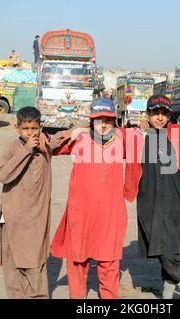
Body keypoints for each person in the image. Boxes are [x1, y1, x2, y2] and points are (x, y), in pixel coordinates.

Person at [123, 95, 180, 299]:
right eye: (155, 113)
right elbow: (104, 134)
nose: (159, 117)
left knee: (173, 245)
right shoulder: (135, 135)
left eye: (164, 113)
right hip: (148, 199)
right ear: (147, 114)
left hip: (177, 197)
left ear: (169, 115)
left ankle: (179, 289)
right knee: (157, 243)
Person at [51, 98, 128, 299]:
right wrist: (74, 131)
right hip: (81, 213)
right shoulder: (78, 140)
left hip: (111, 214)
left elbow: (150, 138)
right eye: (97, 120)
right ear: (90, 121)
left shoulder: (122, 141)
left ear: (115, 122)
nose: (103, 125)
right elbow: (51, 145)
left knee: (109, 262)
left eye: (108, 120)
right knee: (77, 260)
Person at [0, 107, 70, 299]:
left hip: (36, 217)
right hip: (12, 215)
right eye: (25, 129)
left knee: (35, 262)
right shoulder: (11, 148)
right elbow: (3, 175)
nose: (30, 133)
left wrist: (84, 128)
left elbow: (66, 136)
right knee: (12, 263)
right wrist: (26, 150)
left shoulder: (45, 145)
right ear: (16, 128)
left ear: (40, 127)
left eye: (34, 128)